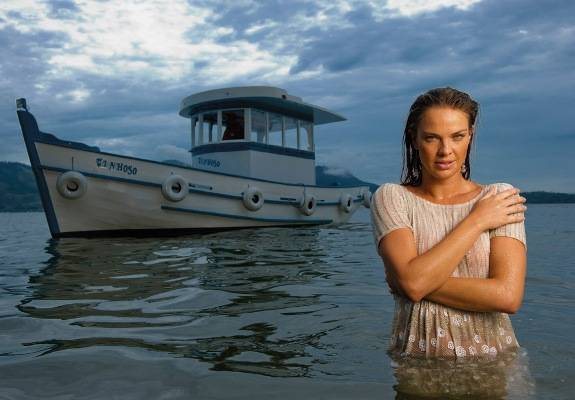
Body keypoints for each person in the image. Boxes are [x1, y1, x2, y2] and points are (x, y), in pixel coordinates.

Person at [371, 87, 527, 360]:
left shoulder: (498, 198)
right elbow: (413, 284)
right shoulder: (391, 198)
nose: (446, 151)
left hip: (494, 364)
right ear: (415, 139)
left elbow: (507, 296)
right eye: (432, 138)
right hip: (417, 367)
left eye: (457, 137)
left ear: (471, 135)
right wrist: (477, 221)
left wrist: (409, 281)